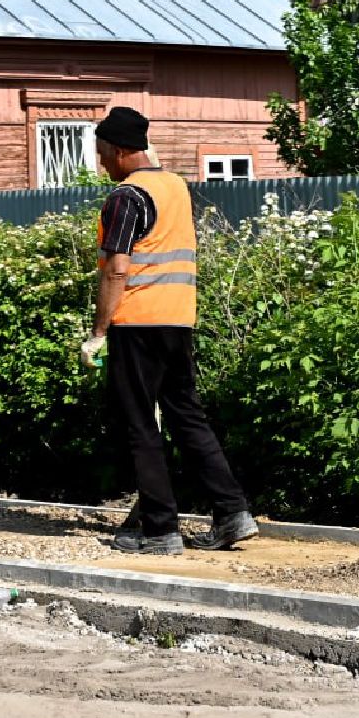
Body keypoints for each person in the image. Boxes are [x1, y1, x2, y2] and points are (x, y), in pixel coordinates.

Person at [80, 106, 258, 555]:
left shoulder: (126, 197)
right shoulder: (174, 187)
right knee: (187, 417)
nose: (101, 163)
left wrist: (99, 331)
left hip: (137, 321)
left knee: (140, 424)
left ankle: (160, 531)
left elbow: (117, 270)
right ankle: (233, 514)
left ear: (120, 150)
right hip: (178, 319)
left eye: (103, 153)